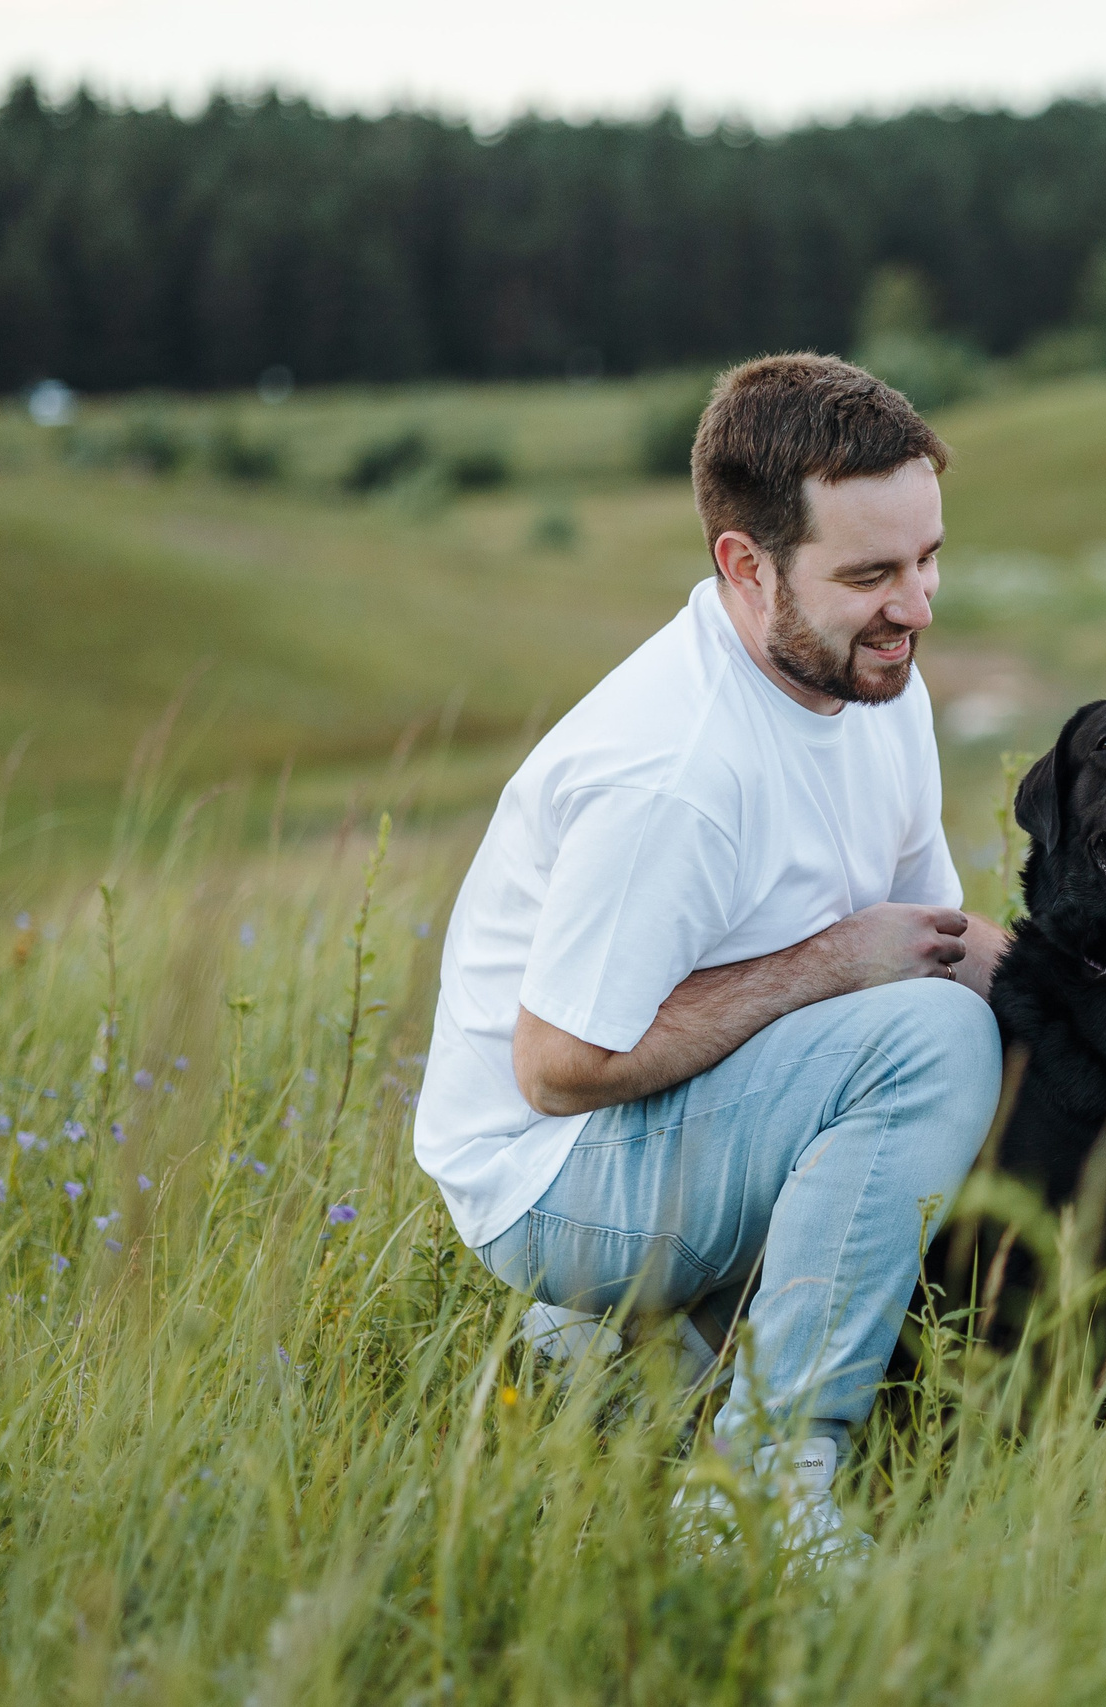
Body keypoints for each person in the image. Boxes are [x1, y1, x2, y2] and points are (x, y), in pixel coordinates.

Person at [413, 354, 1006, 1551]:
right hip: (549, 1180)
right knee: (931, 1046)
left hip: (690, 1117)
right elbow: (559, 1067)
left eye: (928, 558)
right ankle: (759, 1489)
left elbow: (933, 946)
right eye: (871, 574)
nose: (918, 606)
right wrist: (832, 962)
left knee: (970, 1026)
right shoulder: (676, 773)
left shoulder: (876, 682)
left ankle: (647, 1347)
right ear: (747, 566)